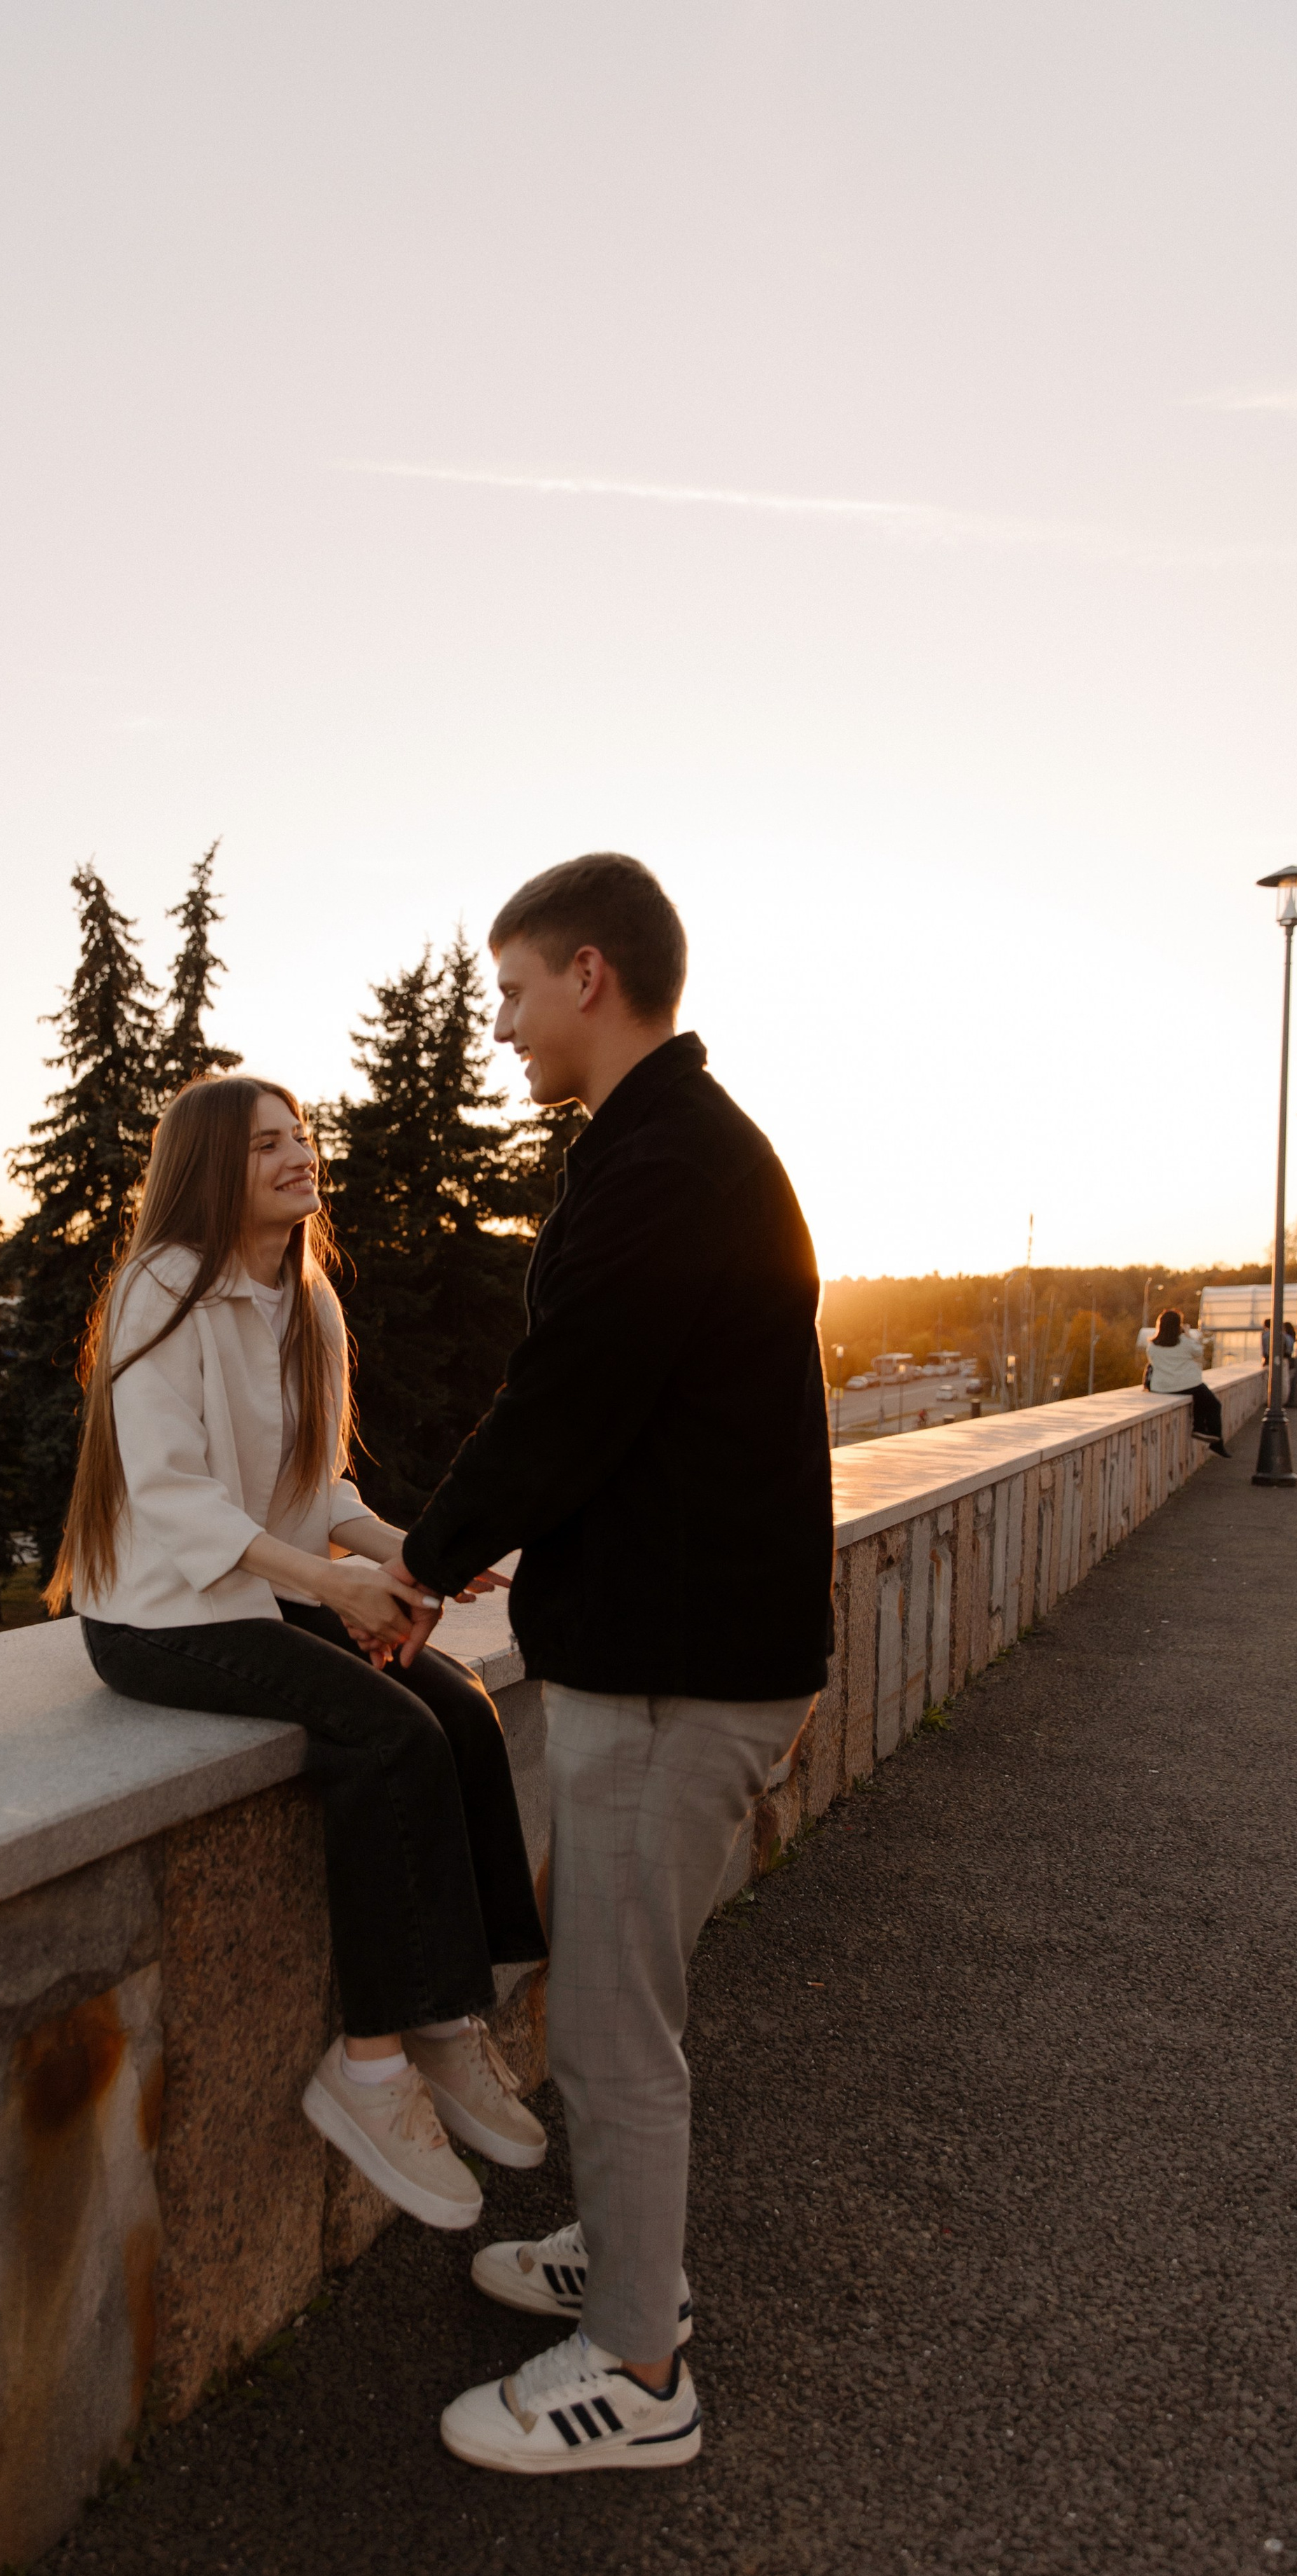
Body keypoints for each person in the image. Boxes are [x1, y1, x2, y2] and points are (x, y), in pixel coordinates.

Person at [390, 852, 834, 2475]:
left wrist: (419, 1570)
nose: (499, 1024)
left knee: (610, 2027)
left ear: (589, 974)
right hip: (676, 1646)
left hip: (674, 1674)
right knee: (609, 1999)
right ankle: (622, 2251)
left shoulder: (662, 1164)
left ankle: (637, 2371)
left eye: (511, 990)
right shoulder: (661, 1148)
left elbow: (563, 1394)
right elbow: (623, 1418)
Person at [48, 1072, 550, 2231]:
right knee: (390, 1736)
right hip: (163, 1621)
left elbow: (313, 1484)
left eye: (303, 1136)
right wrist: (332, 1585)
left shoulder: (306, 1300)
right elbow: (171, 1499)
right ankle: (369, 2070)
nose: (299, 1154)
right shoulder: (159, 1291)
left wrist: (409, 1553)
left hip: (265, 1600)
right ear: (212, 1167)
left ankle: (447, 2022)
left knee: (463, 1708)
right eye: (267, 1142)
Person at [1146, 1308, 1228, 1456]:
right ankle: (1213, 1440)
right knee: (1213, 1404)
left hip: (1162, 1387)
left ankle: (1200, 1429)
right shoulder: (1184, 1342)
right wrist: (1188, 1334)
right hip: (1187, 1385)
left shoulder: (1152, 1346)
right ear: (1178, 1325)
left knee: (1200, 1396)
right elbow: (1199, 1352)